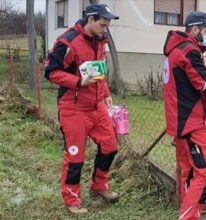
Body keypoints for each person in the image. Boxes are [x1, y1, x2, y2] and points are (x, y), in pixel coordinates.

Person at [44, 4, 119, 214]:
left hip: (97, 106)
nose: (105, 29)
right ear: (91, 19)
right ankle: (72, 198)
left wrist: (105, 93)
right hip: (73, 108)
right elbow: (50, 72)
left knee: (110, 146)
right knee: (75, 156)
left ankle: (99, 186)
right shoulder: (67, 42)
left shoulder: (100, 40)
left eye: (107, 26)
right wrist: (78, 82)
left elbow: (98, 71)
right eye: (103, 25)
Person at [162, 11, 206, 220]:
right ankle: (188, 217)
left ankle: (191, 215)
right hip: (191, 123)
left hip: (181, 122)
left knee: (190, 173)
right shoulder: (189, 51)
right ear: (194, 30)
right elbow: (204, 84)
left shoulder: (175, 51)